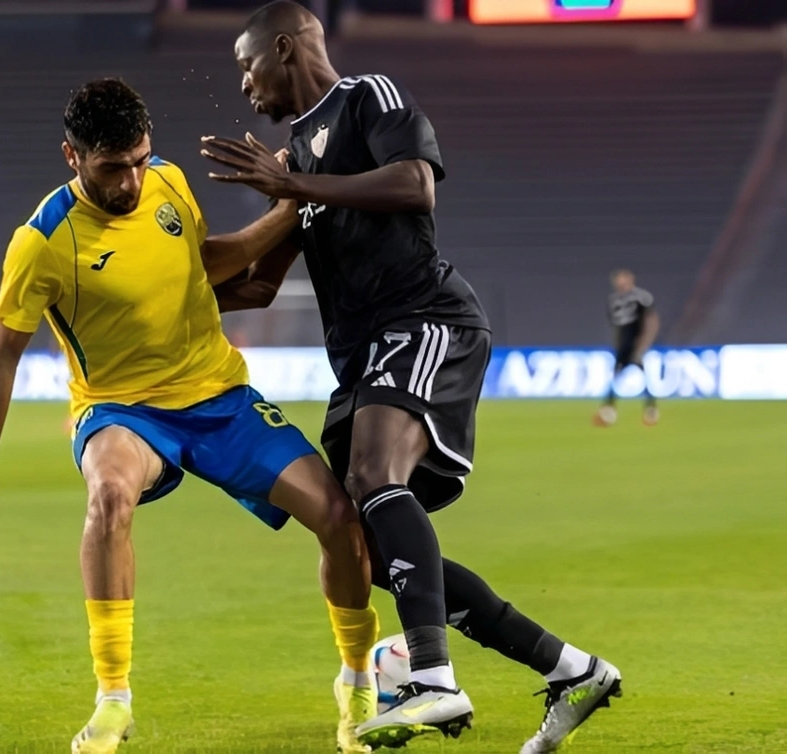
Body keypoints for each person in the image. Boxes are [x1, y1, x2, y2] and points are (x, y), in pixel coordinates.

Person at [202, 3, 621, 752]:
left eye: (246, 64)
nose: (244, 84)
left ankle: (432, 678)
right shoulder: (294, 159)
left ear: (285, 47)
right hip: (362, 356)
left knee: (373, 474)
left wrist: (299, 186)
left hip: (423, 318)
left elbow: (413, 184)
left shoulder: (368, 97)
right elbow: (260, 285)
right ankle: (572, 669)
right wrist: (150, 298)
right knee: (363, 541)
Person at [0, 79, 381, 754]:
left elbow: (203, 265)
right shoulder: (42, 242)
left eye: (140, 159)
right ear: (72, 157)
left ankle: (358, 683)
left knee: (340, 519)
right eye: (114, 168)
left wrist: (289, 208)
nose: (133, 181)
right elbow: (0, 358)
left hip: (219, 395)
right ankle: (113, 701)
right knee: (109, 496)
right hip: (122, 410)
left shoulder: (168, 181)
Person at [595, 269, 659, 427]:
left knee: (642, 376)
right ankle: (610, 409)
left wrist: (644, 343)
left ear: (630, 279)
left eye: (623, 279)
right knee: (616, 375)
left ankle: (650, 409)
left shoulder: (641, 297)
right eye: (618, 280)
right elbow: (616, 325)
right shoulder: (613, 300)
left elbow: (651, 321)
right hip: (622, 345)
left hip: (636, 345)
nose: (620, 282)